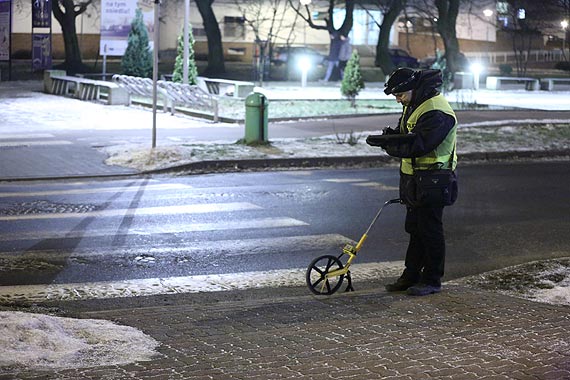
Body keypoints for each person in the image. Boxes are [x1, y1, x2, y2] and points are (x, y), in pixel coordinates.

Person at [372, 68, 458, 296]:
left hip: (434, 179)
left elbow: (419, 144)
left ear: (413, 88)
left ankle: (431, 279)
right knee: (415, 229)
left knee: (430, 230)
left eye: (399, 94)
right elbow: (407, 134)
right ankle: (411, 275)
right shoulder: (414, 104)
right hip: (416, 179)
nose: (397, 99)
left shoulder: (436, 111)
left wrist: (388, 145)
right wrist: (388, 136)